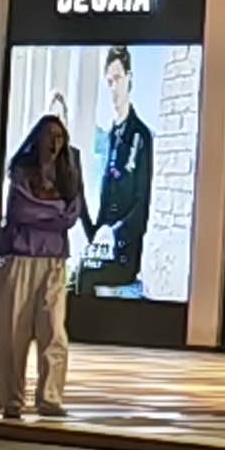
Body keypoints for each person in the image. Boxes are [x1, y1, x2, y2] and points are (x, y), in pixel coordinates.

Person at [0, 115, 86, 421]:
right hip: (21, 256)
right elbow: (22, 211)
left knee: (54, 331)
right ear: (38, 138)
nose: (54, 143)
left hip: (54, 260)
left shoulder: (69, 174)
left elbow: (71, 216)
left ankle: (50, 398)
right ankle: (12, 399)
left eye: (60, 136)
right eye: (49, 135)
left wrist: (48, 211)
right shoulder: (22, 171)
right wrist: (54, 211)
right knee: (13, 332)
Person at [79, 46, 157, 296]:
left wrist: (114, 234)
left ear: (129, 78)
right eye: (109, 81)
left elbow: (142, 206)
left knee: (85, 277)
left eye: (118, 79)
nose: (113, 88)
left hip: (124, 253)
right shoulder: (110, 136)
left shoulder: (141, 136)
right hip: (104, 248)